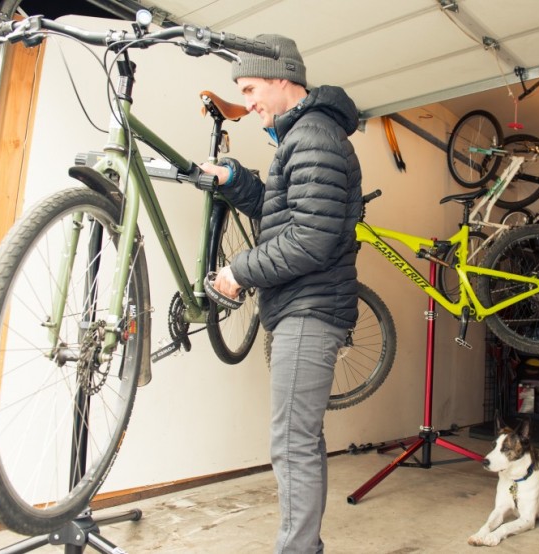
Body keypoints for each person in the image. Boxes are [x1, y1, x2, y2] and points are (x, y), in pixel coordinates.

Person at [200, 34, 362, 553]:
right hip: (301, 307)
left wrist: (240, 270)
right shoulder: (303, 136)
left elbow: (310, 240)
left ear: (282, 78)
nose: (248, 103)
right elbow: (285, 211)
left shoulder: (313, 136)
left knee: (291, 443)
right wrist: (235, 180)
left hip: (310, 309)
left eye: (250, 89)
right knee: (301, 438)